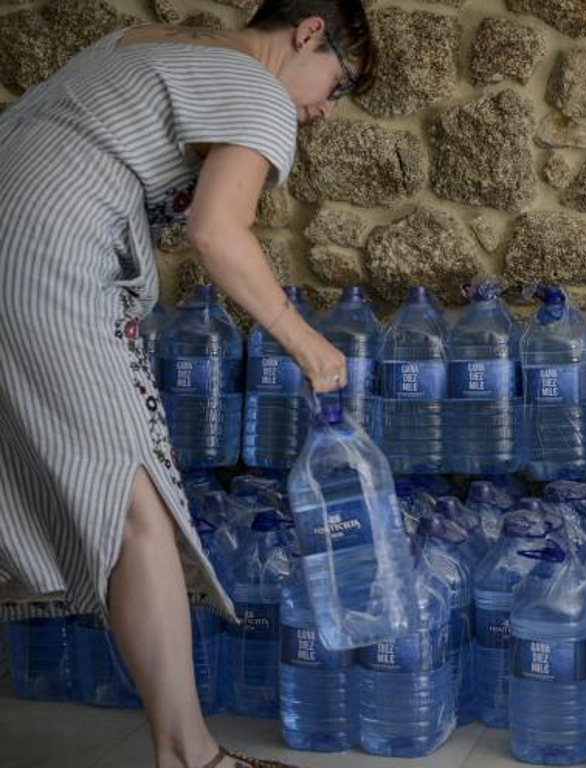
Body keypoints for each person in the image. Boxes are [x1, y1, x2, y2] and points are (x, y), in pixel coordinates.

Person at [0, 0, 373, 765]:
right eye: (339, 83)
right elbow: (215, 231)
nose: (327, 112)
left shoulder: (138, 43)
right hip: (45, 257)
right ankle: (189, 756)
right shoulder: (259, 88)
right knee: (136, 502)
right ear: (309, 31)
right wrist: (310, 347)